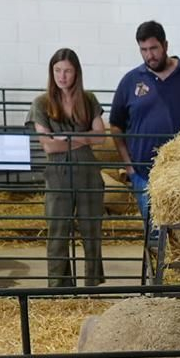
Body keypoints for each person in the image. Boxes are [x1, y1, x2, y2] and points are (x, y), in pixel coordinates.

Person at [108, 20, 180, 228]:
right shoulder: (130, 81)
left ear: (165, 45)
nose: (149, 55)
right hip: (145, 175)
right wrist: (129, 167)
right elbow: (115, 125)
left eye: (154, 48)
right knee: (154, 234)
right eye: (144, 50)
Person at [28, 48, 108, 288]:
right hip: (57, 173)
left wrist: (67, 138)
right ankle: (59, 286)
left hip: (87, 170)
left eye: (68, 71)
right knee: (58, 228)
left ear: (76, 73)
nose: (62, 76)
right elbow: (49, 147)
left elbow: (100, 137)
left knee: (91, 228)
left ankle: (92, 283)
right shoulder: (41, 103)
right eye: (57, 70)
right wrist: (83, 136)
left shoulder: (89, 99)